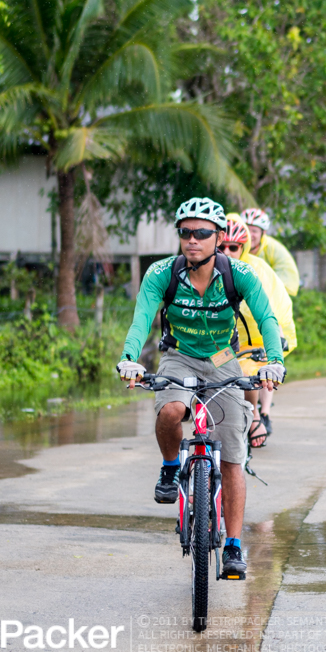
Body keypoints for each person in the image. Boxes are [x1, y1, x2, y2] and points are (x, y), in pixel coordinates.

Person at [116, 197, 287, 579]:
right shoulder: (162, 273)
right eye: (186, 232)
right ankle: (169, 467)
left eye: (202, 233)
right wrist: (129, 358)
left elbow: (267, 317)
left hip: (223, 358)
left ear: (219, 237)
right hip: (179, 356)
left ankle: (233, 545)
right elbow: (141, 318)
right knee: (171, 411)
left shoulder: (239, 274)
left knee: (233, 457)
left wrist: (274, 361)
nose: (192, 239)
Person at [220, 216, 297, 447]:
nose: (227, 252)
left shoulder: (256, 271)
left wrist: (277, 343)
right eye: (221, 247)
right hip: (219, 346)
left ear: (243, 248)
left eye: (233, 247)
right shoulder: (202, 268)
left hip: (253, 342)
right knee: (204, 379)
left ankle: (256, 416)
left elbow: (270, 313)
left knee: (248, 372)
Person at [241, 208, 301, 296]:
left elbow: (287, 279)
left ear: (263, 233)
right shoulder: (231, 246)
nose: (249, 235)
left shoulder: (274, 248)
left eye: (254, 231)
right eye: (246, 229)